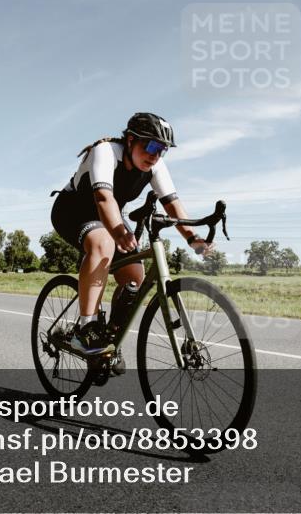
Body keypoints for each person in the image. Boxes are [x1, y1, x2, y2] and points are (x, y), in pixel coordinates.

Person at [50, 112, 213, 356]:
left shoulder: (155, 166)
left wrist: (193, 238)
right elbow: (103, 198)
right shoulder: (105, 152)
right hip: (73, 210)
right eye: (151, 146)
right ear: (130, 140)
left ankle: (109, 337)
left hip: (109, 215)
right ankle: (86, 330)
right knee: (103, 243)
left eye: (162, 150)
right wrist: (118, 231)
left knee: (135, 276)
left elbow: (172, 204)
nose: (155, 155)